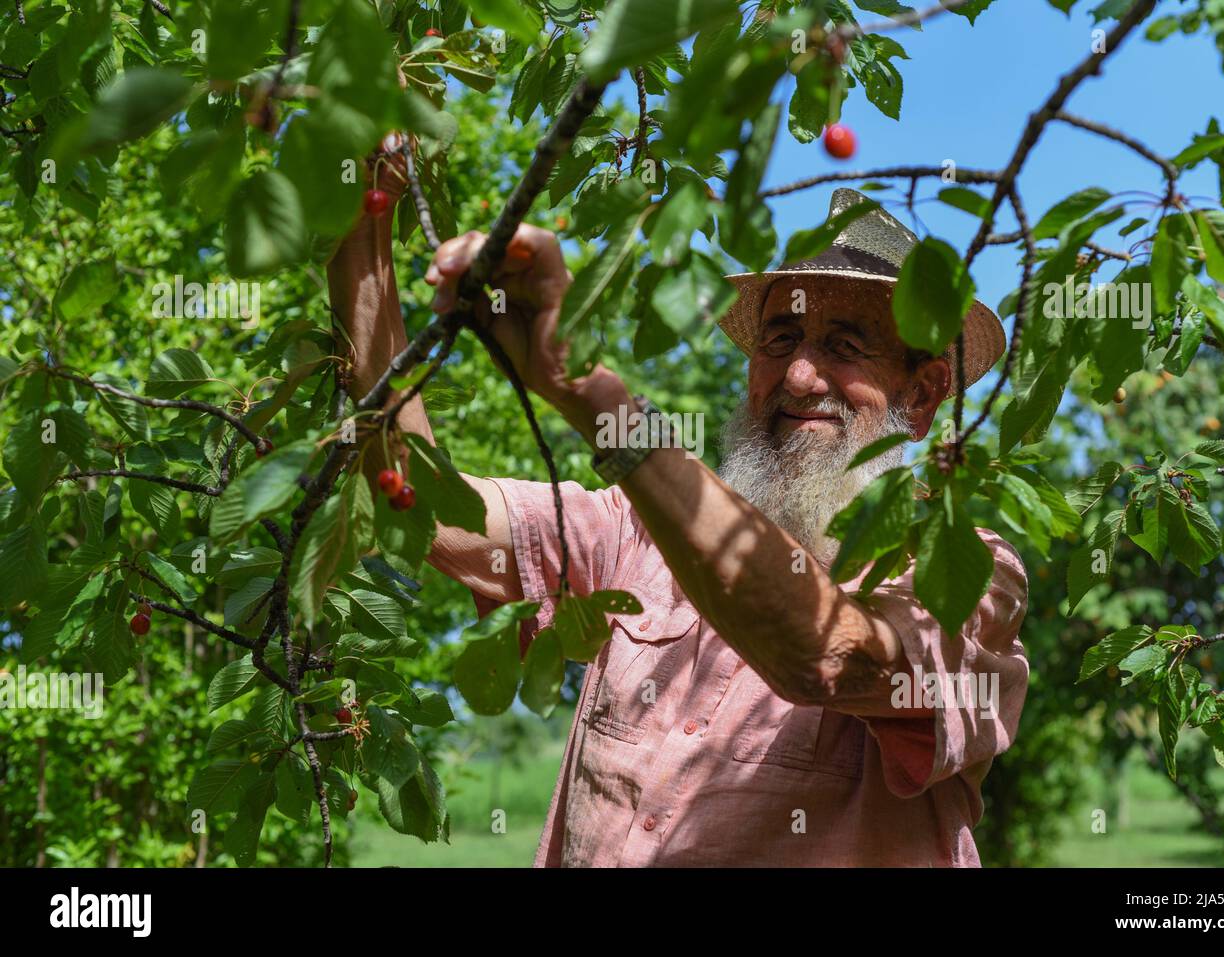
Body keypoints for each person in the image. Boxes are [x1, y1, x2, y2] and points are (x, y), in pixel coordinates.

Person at [327, 162, 1029, 866]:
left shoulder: (962, 569)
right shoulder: (638, 531)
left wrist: (592, 397)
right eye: (780, 338)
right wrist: (364, 203)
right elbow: (426, 505)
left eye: (845, 345)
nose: (799, 375)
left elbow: (831, 656)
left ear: (925, 392)